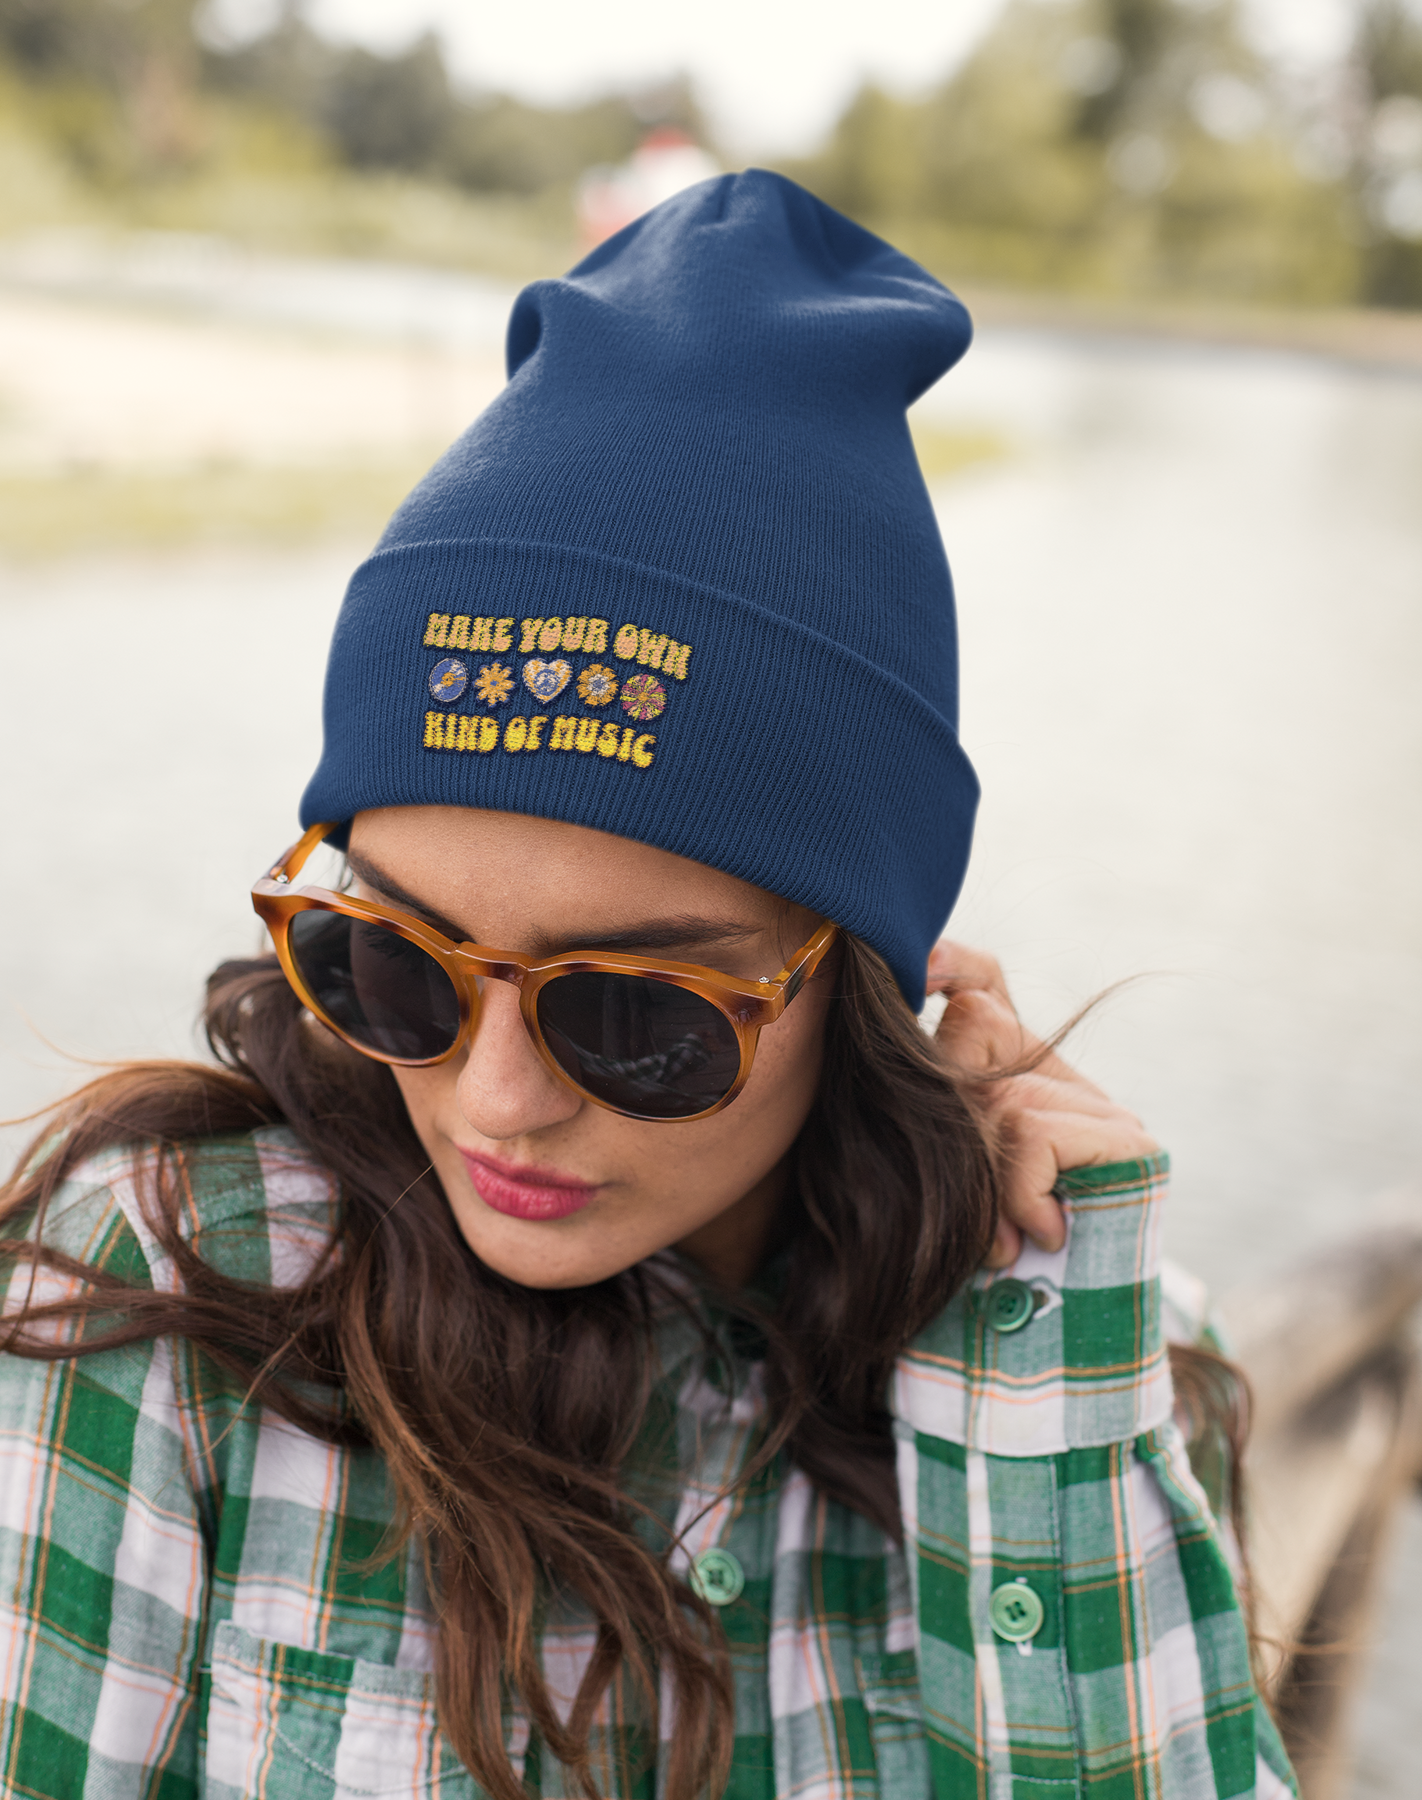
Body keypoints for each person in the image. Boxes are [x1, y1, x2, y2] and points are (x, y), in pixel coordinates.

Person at [0, 172, 1294, 1799]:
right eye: (391, 966)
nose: (494, 1101)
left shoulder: (1098, 1353)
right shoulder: (162, 1296)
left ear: (863, 977)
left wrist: (1032, 1385)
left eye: (636, 1018)